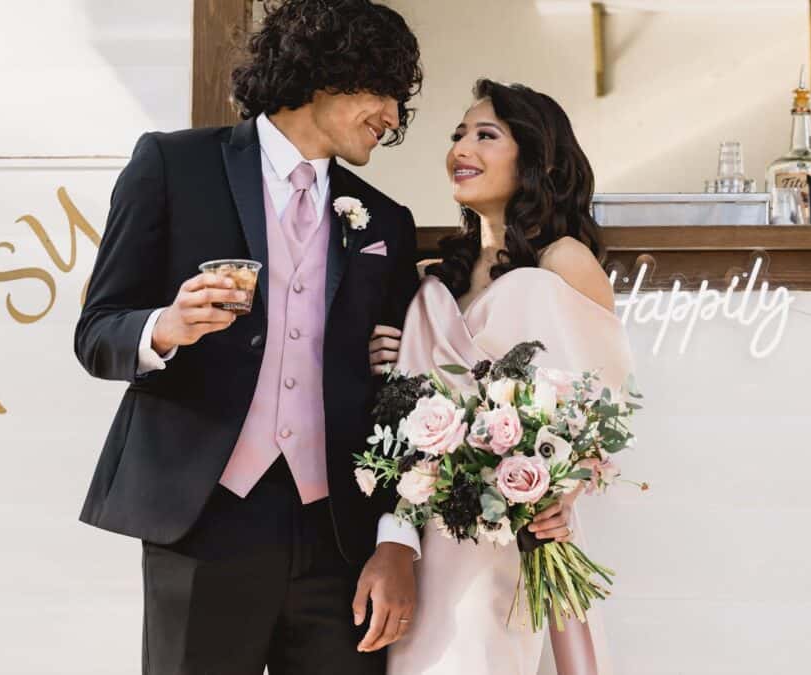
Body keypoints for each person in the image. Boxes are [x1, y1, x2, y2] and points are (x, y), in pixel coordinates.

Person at [72, 1, 424, 673]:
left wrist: (396, 536)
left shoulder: (385, 219)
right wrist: (165, 326)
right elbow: (97, 332)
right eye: (382, 91)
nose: (393, 117)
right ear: (327, 74)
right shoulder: (173, 166)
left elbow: (402, 398)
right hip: (203, 521)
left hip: (340, 539)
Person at [372, 80, 634, 675]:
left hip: (515, 533)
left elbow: (602, 403)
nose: (462, 147)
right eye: (459, 134)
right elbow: (407, 407)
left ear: (537, 159)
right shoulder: (439, 276)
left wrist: (556, 494)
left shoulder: (564, 260)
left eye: (486, 135)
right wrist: (385, 356)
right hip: (430, 536)